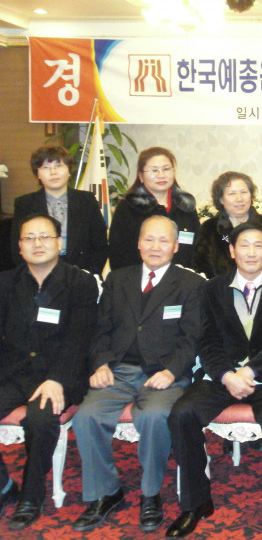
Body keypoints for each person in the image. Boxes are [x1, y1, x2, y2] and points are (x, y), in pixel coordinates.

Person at [166, 221, 262, 540]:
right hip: (222, 375)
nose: (251, 252)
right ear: (231, 250)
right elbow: (207, 340)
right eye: (244, 245)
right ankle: (195, 503)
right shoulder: (212, 288)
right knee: (182, 414)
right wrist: (227, 374)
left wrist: (249, 372)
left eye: (258, 245)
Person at [71, 215, 204, 533]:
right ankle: (106, 492)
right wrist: (101, 363)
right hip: (118, 370)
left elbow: (193, 338)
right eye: (149, 239)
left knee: (155, 416)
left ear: (175, 246)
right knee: (86, 417)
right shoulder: (118, 279)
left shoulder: (191, 284)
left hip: (165, 373)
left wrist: (172, 371)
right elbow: (100, 329)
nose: (156, 246)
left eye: (163, 240)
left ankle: (150, 493)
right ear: (138, 243)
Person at [0, 214, 98, 530]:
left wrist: (57, 379)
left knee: (41, 419)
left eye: (45, 236)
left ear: (59, 242)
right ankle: (4, 486)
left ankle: (31, 496)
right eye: (29, 238)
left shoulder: (80, 283)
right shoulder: (5, 283)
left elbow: (79, 339)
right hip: (14, 372)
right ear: (19, 246)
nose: (37, 243)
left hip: (61, 373)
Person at [12, 145, 108, 275]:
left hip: (81, 271)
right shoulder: (25, 204)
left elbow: (100, 244)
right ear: (37, 173)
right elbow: (17, 246)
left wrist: (89, 275)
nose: (53, 172)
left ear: (69, 170)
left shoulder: (87, 200)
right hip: (38, 272)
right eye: (46, 167)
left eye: (59, 166)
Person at [109, 147, 200, 271]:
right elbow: (118, 254)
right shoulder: (128, 207)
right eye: (154, 170)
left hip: (183, 278)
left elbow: (197, 250)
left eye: (166, 169)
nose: (161, 175)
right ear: (141, 176)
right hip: (140, 278)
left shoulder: (185, 204)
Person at [193, 171, 262, 278]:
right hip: (218, 287)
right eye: (232, 194)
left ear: (251, 195)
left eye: (244, 192)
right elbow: (200, 267)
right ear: (221, 199)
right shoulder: (209, 227)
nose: (239, 199)